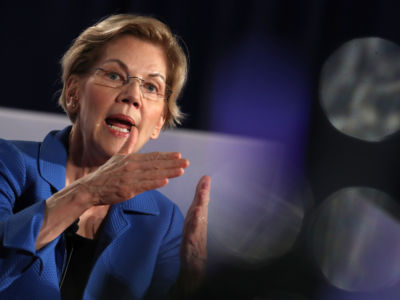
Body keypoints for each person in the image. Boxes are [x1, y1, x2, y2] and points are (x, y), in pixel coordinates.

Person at [0, 14, 210, 299]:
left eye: (151, 87)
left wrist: (192, 284)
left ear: (160, 121)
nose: (133, 95)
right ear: (74, 92)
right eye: (114, 75)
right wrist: (87, 192)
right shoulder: (9, 162)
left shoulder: (163, 220)